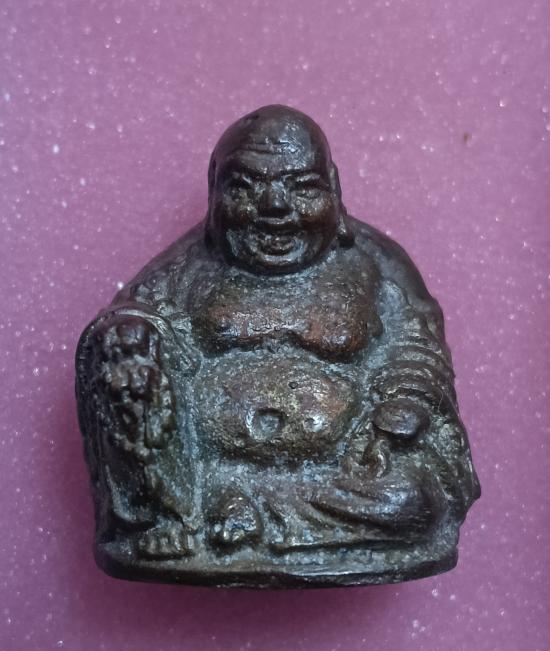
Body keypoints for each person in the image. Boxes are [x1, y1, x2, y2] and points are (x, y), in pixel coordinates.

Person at [76, 105, 480, 586]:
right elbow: (127, 323)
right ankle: (202, 513)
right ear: (215, 194)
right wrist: (130, 337)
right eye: (245, 188)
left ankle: (246, 512)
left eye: (301, 187)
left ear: (333, 187)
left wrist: (404, 405)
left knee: (409, 502)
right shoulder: (184, 270)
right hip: (204, 476)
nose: (274, 207)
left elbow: (417, 346)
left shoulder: (375, 265)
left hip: (343, 476)